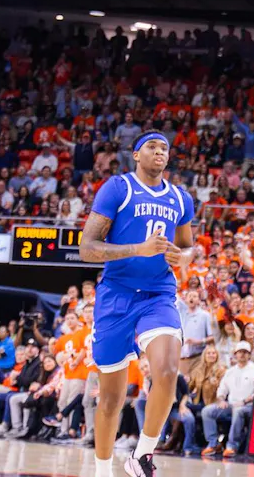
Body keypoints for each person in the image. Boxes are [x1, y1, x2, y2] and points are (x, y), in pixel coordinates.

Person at [79, 132, 196, 477]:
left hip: (158, 293)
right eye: (152, 147)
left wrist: (182, 255)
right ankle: (102, 471)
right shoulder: (118, 188)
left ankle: (141, 456)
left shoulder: (181, 198)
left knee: (167, 372)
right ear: (136, 154)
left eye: (165, 148)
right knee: (112, 398)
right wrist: (137, 249)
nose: (160, 152)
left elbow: (189, 247)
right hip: (116, 294)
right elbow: (87, 248)